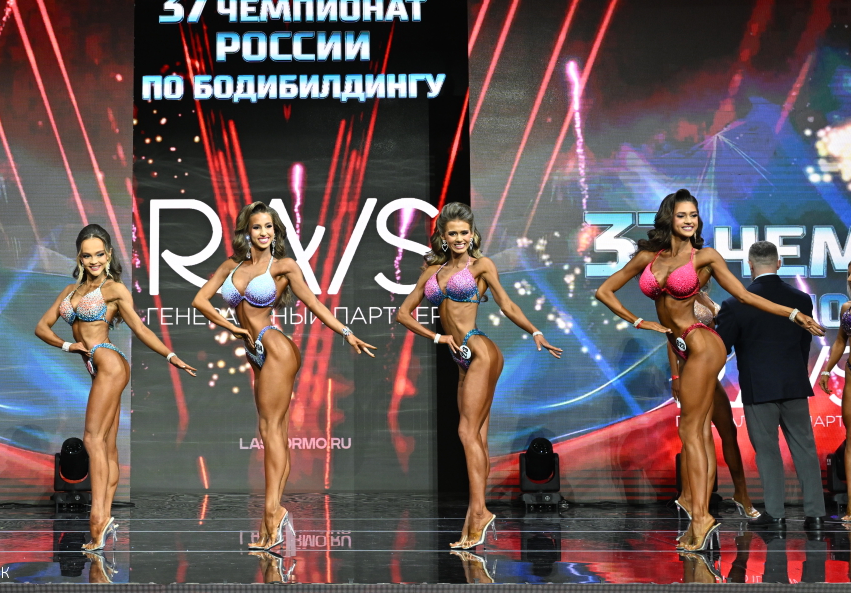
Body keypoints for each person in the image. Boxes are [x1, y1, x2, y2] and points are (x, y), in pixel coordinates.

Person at [595, 189, 823, 553]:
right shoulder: (648, 257)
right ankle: (699, 514)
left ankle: (702, 517)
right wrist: (638, 321)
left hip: (702, 343)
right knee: (695, 432)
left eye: (694, 215)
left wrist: (794, 314)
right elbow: (605, 291)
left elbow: (746, 297)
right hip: (682, 345)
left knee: (692, 430)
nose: (690, 221)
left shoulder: (705, 257)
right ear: (669, 218)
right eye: (683, 215)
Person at [192, 201, 376, 552]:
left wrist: (347, 332)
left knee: (271, 431)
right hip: (254, 350)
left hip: (275, 347)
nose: (263, 232)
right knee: (272, 432)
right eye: (257, 227)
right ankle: (273, 516)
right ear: (247, 231)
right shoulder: (231, 266)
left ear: (276, 232)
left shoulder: (284, 266)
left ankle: (272, 514)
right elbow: (200, 300)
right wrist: (232, 327)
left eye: (269, 227)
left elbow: (315, 304)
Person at [396, 202, 562, 550]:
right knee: (478, 439)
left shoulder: (481, 265)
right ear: (443, 237)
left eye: (464, 232)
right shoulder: (432, 272)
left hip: (480, 350)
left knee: (466, 432)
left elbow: (507, 304)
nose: (459, 238)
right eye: (453, 233)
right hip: (460, 358)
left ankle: (478, 513)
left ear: (472, 235)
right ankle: (475, 517)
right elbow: (403, 314)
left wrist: (535, 332)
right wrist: (437, 338)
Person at [36, 224, 197, 552]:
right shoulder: (69, 291)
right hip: (97, 365)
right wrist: (68, 346)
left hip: (109, 362)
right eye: (87, 255)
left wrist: (171, 356)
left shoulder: (114, 289)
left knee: (92, 439)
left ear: (108, 255)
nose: (94, 260)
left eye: (99, 254)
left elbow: (140, 328)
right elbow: (42, 327)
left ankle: (98, 519)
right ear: (79, 257)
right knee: (107, 446)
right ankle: (105, 517)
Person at [715, 240, 825, 530]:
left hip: (759, 388)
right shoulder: (801, 299)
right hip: (794, 384)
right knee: (805, 448)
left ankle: (776, 516)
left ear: (749, 266)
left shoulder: (734, 304)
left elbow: (720, 349)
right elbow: (804, 344)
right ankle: (815, 516)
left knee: (767, 452)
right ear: (778, 263)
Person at [667, 282, 760, 521]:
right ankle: (690, 498)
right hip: (692, 369)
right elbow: (671, 336)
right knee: (697, 436)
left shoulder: (704, 297)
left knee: (728, 431)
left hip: (709, 370)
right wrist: (676, 376)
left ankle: (741, 494)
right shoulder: (678, 296)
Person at [820, 254, 851, 522]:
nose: (850, 279)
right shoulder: (847, 308)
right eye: (849, 274)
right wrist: (827, 369)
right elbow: (840, 341)